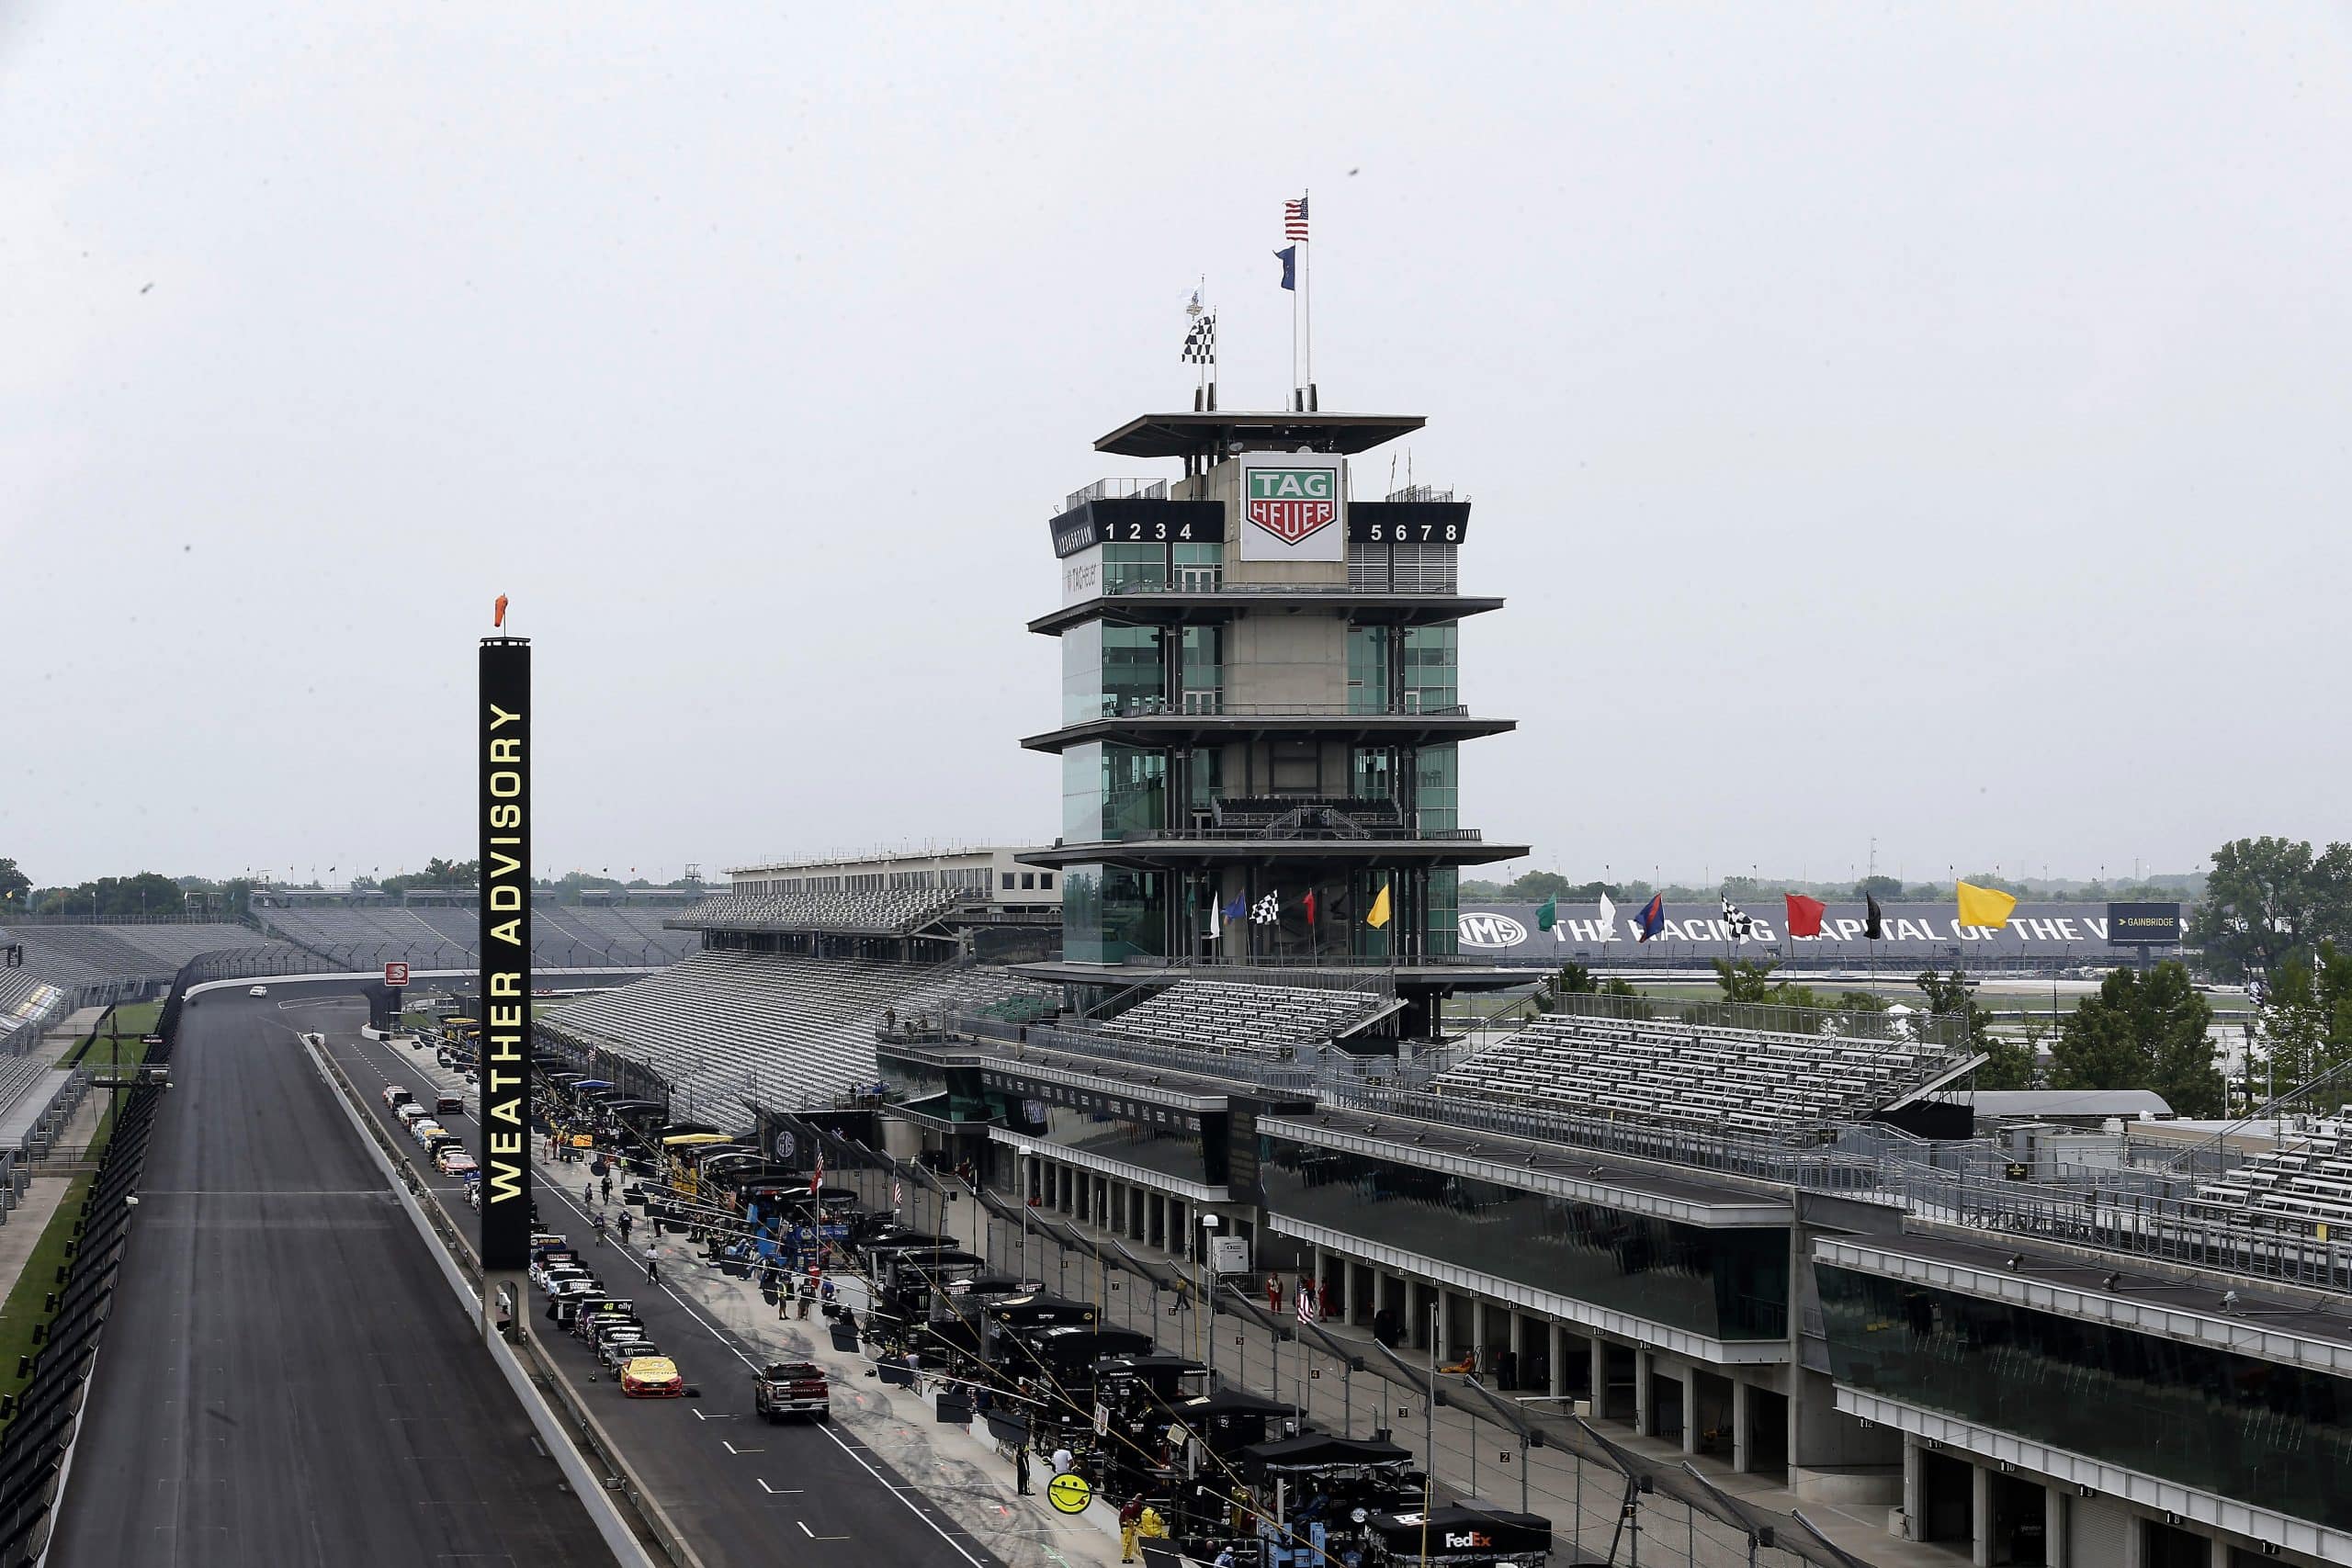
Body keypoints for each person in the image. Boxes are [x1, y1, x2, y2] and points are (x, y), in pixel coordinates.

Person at [1118, 1496, 1144, 1562]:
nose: (1132, 1505)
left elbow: (1120, 1519)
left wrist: (1121, 1527)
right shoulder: (1127, 1509)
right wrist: (1131, 1528)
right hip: (1127, 1528)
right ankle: (1126, 1558)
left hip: (1124, 1527)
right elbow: (1127, 1519)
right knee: (1128, 1543)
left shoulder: (1123, 1509)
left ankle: (1127, 1557)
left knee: (1126, 1543)